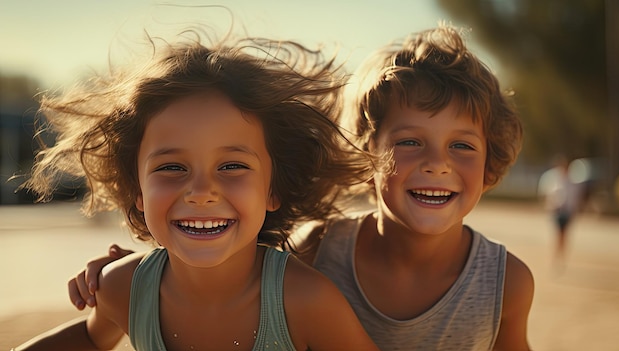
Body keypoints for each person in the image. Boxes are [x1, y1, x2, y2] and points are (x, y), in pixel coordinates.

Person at [67, 23, 535, 350]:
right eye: (410, 141)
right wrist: (140, 270)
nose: (436, 164)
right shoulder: (319, 249)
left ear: (490, 163)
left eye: (462, 146)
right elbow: (229, 268)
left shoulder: (505, 283)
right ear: (367, 153)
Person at [13, 32, 380, 351]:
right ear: (137, 190)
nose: (201, 192)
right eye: (172, 168)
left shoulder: (304, 301)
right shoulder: (121, 287)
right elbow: (93, 340)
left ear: (273, 189)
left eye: (232, 166)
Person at [537, 154, 584, 264]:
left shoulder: (573, 181)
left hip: (567, 211)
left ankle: (561, 254)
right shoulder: (554, 179)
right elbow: (548, 194)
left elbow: (575, 197)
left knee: (564, 234)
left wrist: (574, 209)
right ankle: (556, 254)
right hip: (557, 210)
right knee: (558, 233)